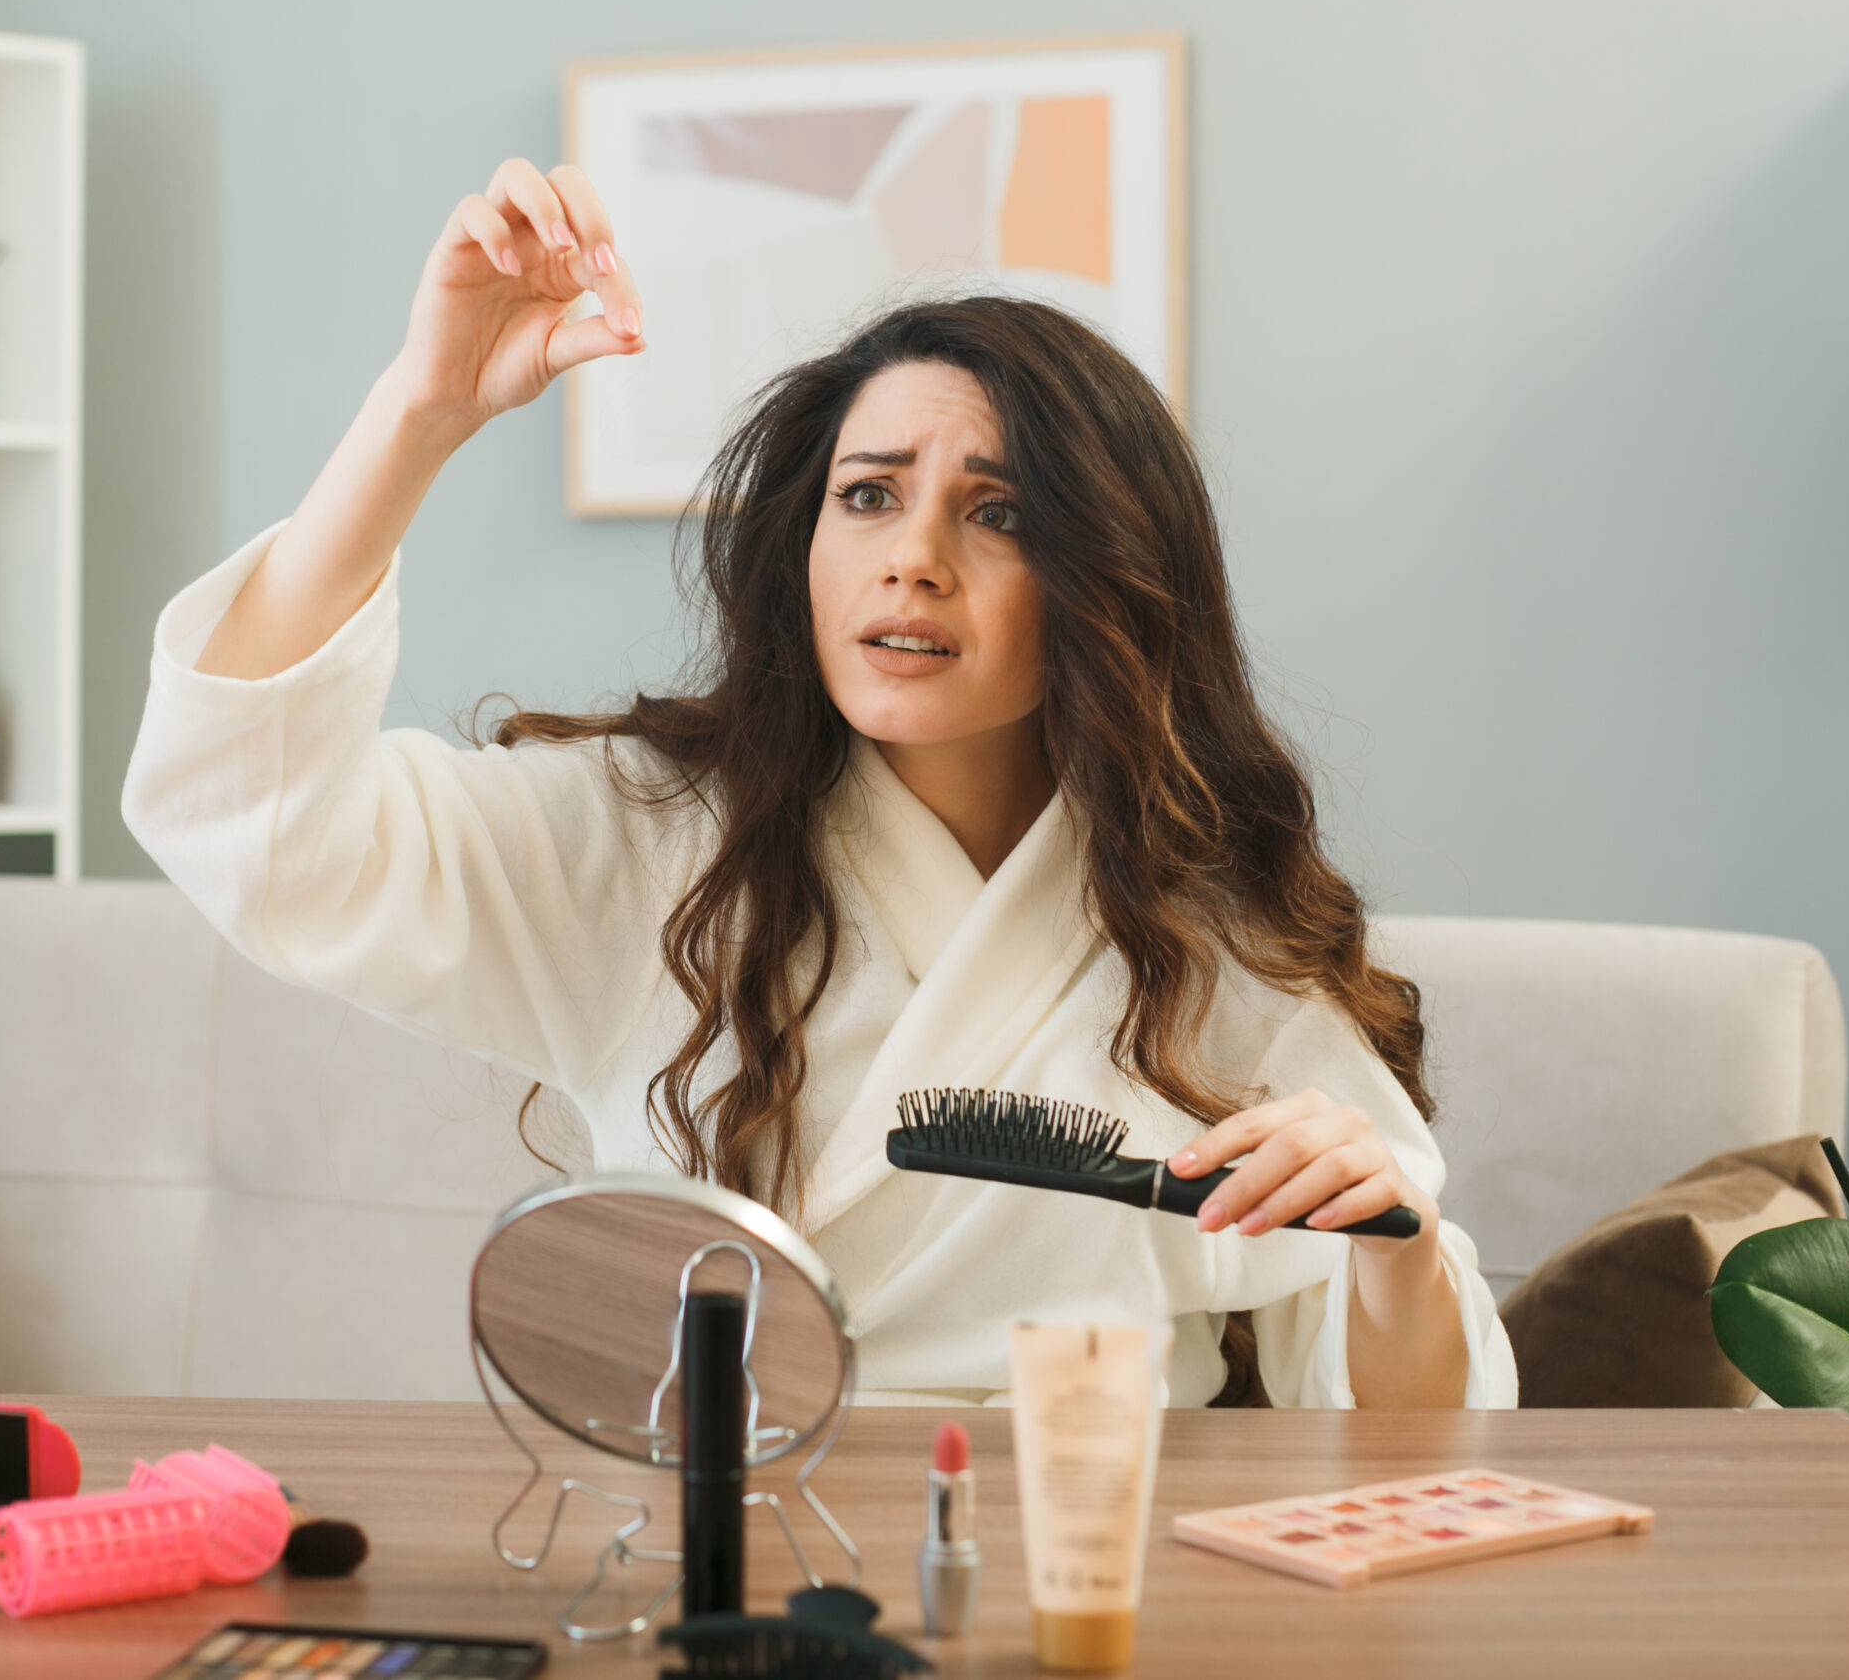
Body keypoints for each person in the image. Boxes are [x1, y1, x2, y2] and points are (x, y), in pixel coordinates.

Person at [124, 159, 1515, 1408]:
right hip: (726, 1535)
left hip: (1104, 1553)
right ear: (805, 544)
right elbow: (255, 821)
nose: (913, 555)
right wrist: (419, 411)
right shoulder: (648, 842)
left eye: (1000, 512)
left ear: (1106, 578)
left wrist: (1393, 1246)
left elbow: (1407, 1439)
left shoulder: (1215, 931)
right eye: (868, 495)